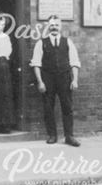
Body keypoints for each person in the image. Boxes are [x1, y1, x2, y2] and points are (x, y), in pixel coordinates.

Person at [30, 15, 81, 146]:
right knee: (48, 107)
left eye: (56, 25)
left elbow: (74, 62)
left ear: (60, 26)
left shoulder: (67, 42)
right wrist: (40, 82)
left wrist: (75, 80)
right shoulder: (41, 43)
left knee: (67, 107)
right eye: (51, 25)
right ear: (48, 26)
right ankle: (52, 135)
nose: (54, 27)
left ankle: (69, 136)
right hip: (48, 79)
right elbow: (36, 64)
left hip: (64, 78)